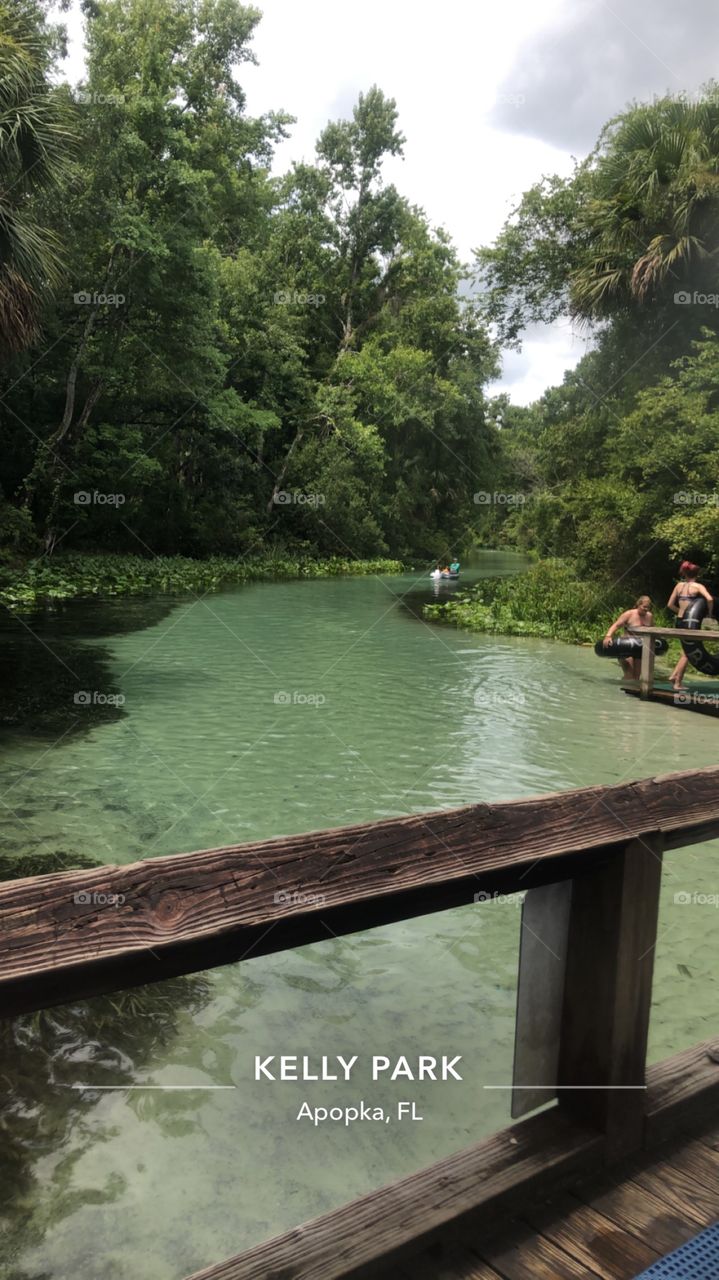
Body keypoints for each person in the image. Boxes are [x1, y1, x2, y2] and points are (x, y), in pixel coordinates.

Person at [667, 561, 714, 689]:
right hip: (690, 623)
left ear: (685, 573)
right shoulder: (697, 586)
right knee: (688, 653)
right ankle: (677, 681)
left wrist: (681, 612)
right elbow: (709, 599)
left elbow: (670, 605)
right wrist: (709, 614)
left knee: (685, 651)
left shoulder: (679, 586)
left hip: (679, 620)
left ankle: (675, 676)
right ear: (697, 574)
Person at [602, 596, 654, 679]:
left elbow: (652, 630)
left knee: (637, 676)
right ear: (638, 605)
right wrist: (608, 636)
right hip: (626, 647)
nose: (646, 609)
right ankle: (623, 690)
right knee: (629, 673)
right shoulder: (629, 614)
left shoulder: (649, 616)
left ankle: (631, 690)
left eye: (648, 607)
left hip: (640, 648)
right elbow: (616, 625)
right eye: (644, 607)